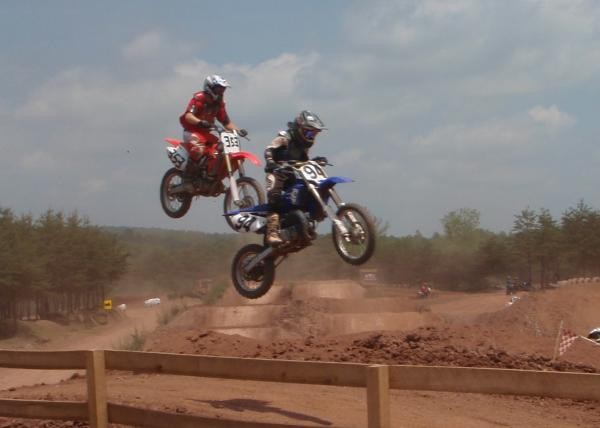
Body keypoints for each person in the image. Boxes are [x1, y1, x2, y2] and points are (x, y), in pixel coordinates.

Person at [263, 110, 327, 245]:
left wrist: (315, 161)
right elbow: (269, 149)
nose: (311, 136)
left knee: (304, 192)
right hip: (277, 172)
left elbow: (304, 160)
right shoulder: (285, 136)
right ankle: (272, 232)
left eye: (314, 134)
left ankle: (302, 223)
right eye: (309, 133)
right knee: (274, 196)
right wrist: (271, 162)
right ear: (300, 128)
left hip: (292, 173)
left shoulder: (303, 145)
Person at [179, 74, 247, 191]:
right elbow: (188, 116)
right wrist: (200, 122)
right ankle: (187, 179)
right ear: (209, 87)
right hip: (192, 131)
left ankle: (213, 178)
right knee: (198, 150)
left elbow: (226, 122)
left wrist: (239, 130)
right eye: (218, 88)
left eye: (223, 89)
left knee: (221, 149)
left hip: (207, 133)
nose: (221, 91)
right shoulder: (199, 98)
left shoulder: (219, 103)